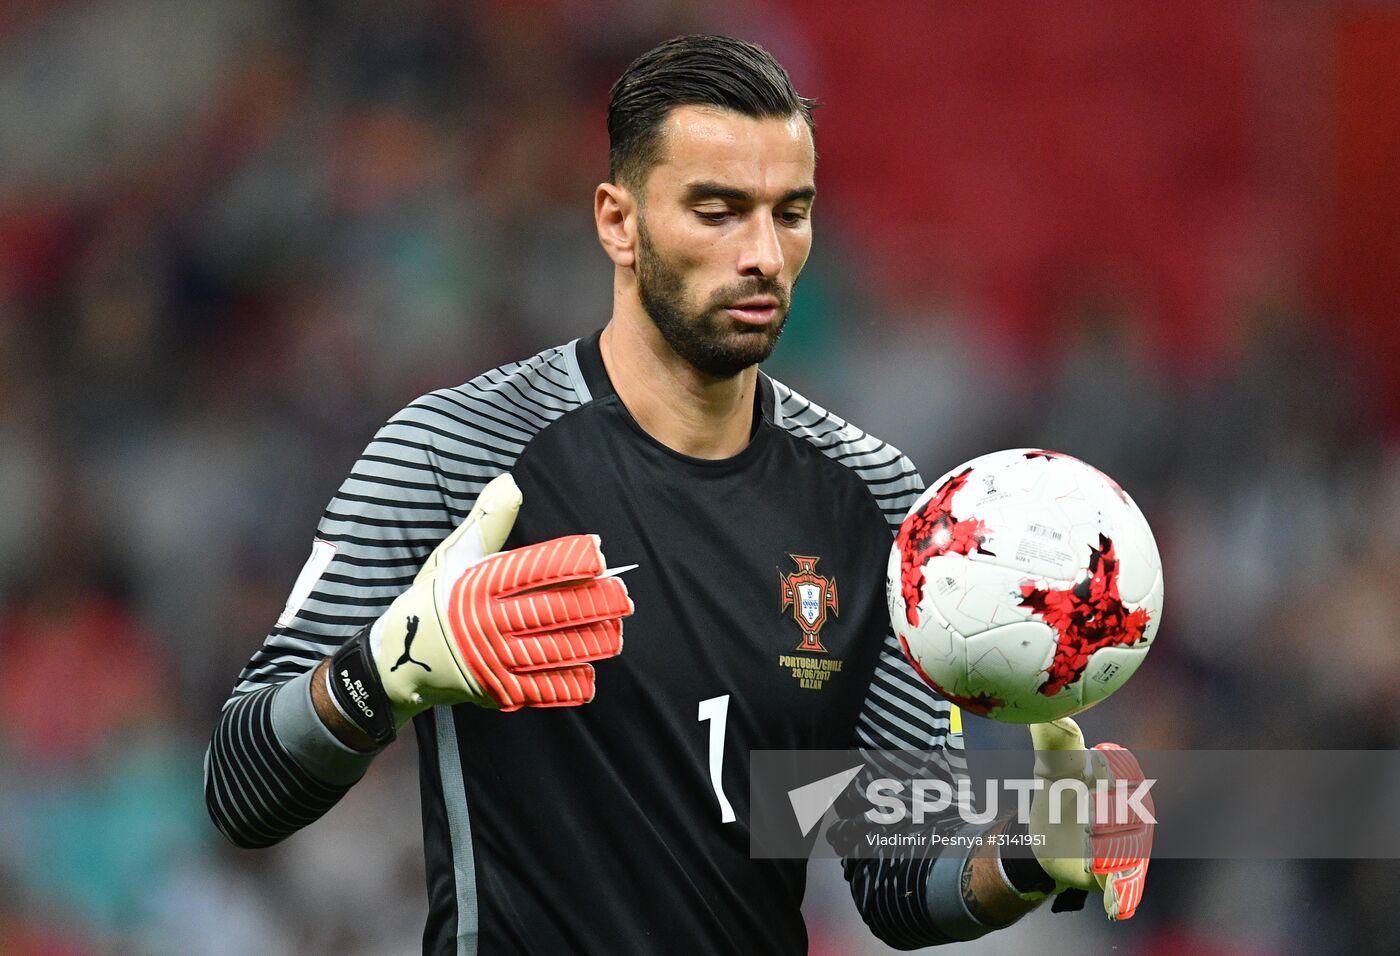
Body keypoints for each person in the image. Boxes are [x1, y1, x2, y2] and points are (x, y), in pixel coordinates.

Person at [205, 34, 1146, 954]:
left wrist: (1020, 858)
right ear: (619, 221)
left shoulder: (877, 499)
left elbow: (898, 876)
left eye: (790, 212)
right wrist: (383, 670)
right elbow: (239, 791)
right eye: (718, 210)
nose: (764, 255)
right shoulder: (455, 453)